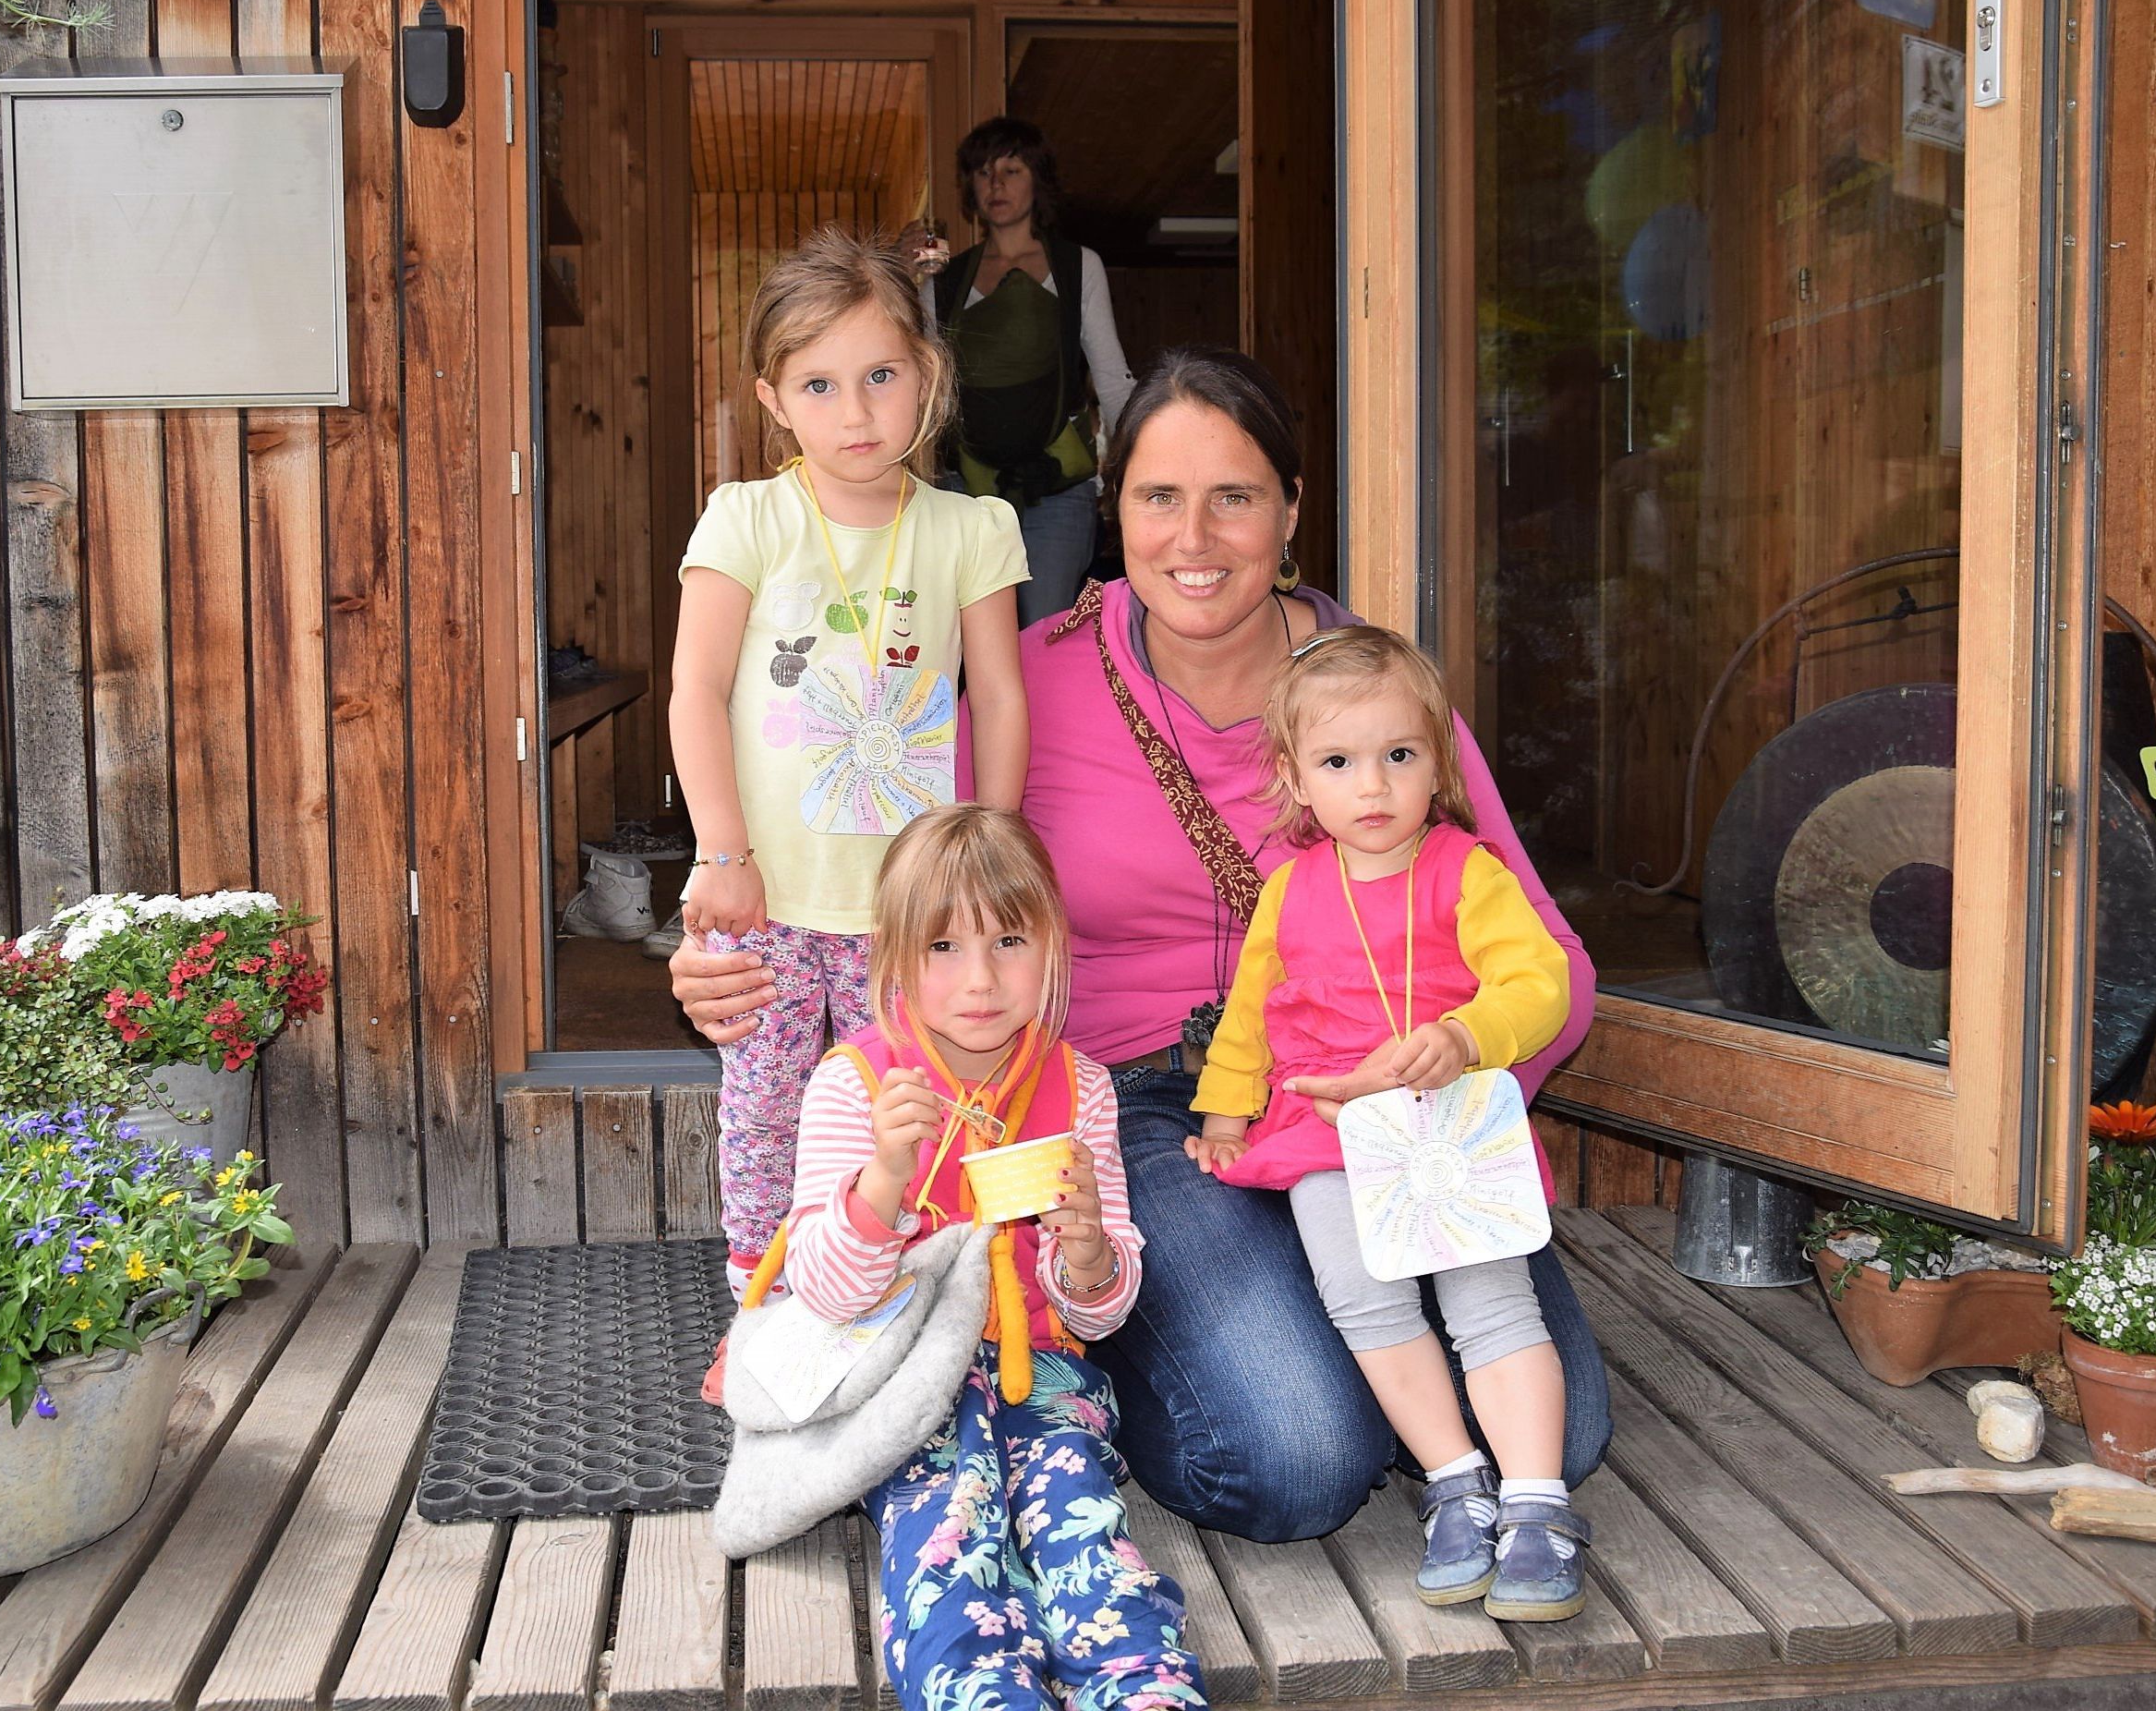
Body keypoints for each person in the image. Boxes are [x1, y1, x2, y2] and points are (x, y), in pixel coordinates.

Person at [677, 346, 1612, 1544]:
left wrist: (1455, 1093)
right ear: (1111, 513)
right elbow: (879, 877)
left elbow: (1553, 968)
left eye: (1234, 495)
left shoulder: (1375, 702)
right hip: (1143, 1114)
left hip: (1380, 1107)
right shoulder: (1030, 688)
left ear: (1289, 510)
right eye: (1157, 497)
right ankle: (1099, 1318)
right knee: (1296, 1464)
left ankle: (1296, 1346)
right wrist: (726, 943)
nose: (1195, 536)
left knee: (1553, 1435)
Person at [1191, 626, 1586, 1619]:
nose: (1371, 787)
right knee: (1362, 1298)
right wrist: (1224, 1112)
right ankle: (1453, 1479)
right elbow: (1248, 1015)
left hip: (1450, 1126)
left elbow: (1538, 982)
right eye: (1337, 762)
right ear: (1295, 779)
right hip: (1331, 1133)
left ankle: (1536, 1503)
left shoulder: (1467, 871)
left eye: (1397, 756)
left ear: (1436, 764)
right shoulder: (1289, 891)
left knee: (1491, 1302)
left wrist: (1465, 1033)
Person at [774, 803, 1204, 1711]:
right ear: (892, 958)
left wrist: (1085, 1250)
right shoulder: (853, 1087)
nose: (979, 978)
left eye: (1008, 939)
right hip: (896, 1381)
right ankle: (980, 1690)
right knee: (948, 1534)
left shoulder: (1078, 1085)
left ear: (1051, 945)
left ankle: (1144, 1688)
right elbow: (822, 1292)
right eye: (942, 947)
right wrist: (882, 1180)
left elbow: (1099, 1313)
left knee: (1081, 1530)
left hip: (1041, 1376)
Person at [671, 224, 1030, 1304]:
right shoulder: (747, 517)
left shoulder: (974, 528)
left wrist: (985, 858)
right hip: (770, 896)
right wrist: (718, 851)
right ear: (773, 400)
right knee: (767, 1105)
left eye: (881, 375)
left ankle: (892, 1284)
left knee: (905, 1101)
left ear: (928, 374)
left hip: (913, 905)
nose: (857, 411)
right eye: (819, 384)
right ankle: (760, 1293)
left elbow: (1000, 694)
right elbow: (695, 688)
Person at [924, 118, 1136, 626]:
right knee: (968, 649)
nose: (995, 185)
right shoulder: (943, 281)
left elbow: (1111, 379)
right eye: (982, 172)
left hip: (1058, 489)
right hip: (963, 490)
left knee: (1046, 636)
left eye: (1011, 170)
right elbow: (925, 391)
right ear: (969, 188)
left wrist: (1139, 477)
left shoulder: (1078, 266)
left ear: (1037, 179)